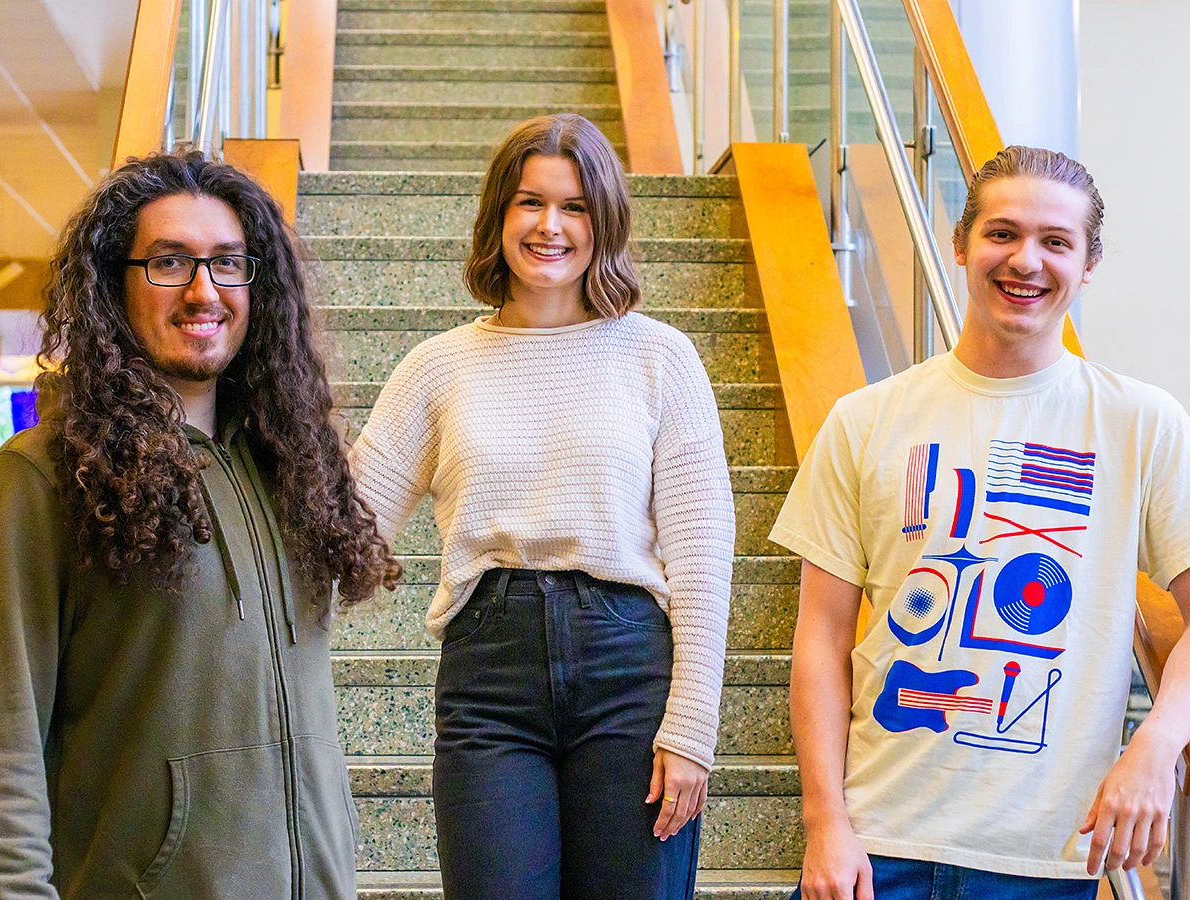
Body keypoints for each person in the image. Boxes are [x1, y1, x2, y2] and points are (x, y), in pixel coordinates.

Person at [771, 146, 1190, 900]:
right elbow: (822, 640)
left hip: (1043, 857)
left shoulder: (1141, 423)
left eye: (1055, 242)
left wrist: (1158, 741)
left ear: (1087, 262)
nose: (1025, 261)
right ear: (960, 245)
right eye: (1002, 233)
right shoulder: (865, 419)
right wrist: (824, 822)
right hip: (876, 847)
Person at [0, 149, 398, 899]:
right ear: (116, 284)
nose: (203, 290)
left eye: (227, 263)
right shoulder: (42, 478)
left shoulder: (293, 471)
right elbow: (1, 746)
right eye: (169, 263)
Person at [349, 113, 735, 900]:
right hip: (491, 677)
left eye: (575, 206)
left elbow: (701, 556)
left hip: (631, 672)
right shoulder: (438, 367)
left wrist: (691, 729)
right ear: (499, 215)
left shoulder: (660, 357)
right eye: (530, 203)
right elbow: (345, 533)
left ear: (605, 222)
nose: (550, 226)